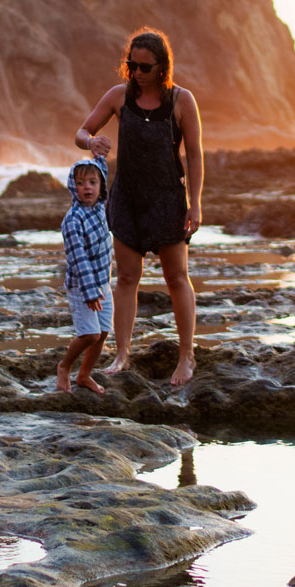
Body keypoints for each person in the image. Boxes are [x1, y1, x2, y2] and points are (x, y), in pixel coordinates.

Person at [73, 27, 204, 386]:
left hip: (168, 199)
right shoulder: (119, 96)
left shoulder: (181, 101)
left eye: (145, 67)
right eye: (132, 65)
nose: (137, 73)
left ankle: (186, 356)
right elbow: (81, 132)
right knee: (127, 278)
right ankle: (121, 354)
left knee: (176, 277)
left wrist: (195, 204)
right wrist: (91, 141)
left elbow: (193, 155)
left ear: (162, 67)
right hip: (127, 199)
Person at [56, 155, 112, 394]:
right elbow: (78, 258)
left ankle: (84, 375)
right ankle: (64, 366)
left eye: (92, 182)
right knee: (89, 334)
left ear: (100, 187)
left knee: (103, 333)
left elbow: (101, 168)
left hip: (103, 284)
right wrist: (90, 292)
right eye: (80, 183)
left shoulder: (99, 208)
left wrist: (99, 152)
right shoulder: (73, 219)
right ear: (73, 187)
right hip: (82, 286)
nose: (87, 187)